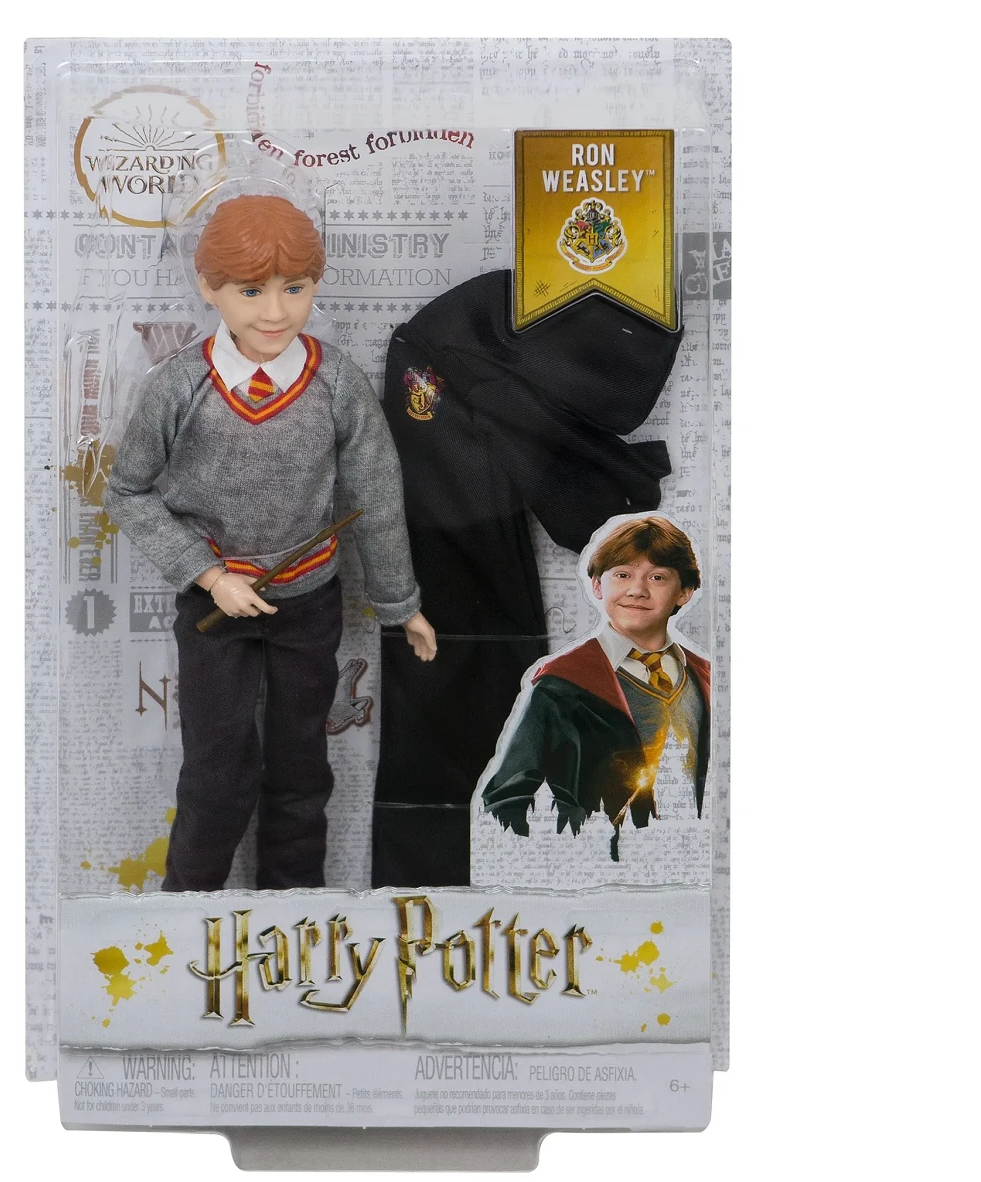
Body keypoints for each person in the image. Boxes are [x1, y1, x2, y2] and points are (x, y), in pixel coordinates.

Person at [104, 193, 436, 891]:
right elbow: (127, 492)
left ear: (317, 284)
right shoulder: (181, 386)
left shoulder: (336, 383)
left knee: (301, 769)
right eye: (251, 291)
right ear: (209, 287)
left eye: (296, 288)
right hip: (215, 610)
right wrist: (208, 574)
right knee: (215, 773)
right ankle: (187, 910)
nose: (275, 312)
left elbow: (376, 497)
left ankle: (294, 912)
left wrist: (400, 604)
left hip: (308, 604)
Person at [478, 515, 708, 861]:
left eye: (657, 577)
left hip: (689, 863)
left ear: (685, 592)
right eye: (622, 575)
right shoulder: (561, 686)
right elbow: (507, 799)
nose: (637, 589)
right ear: (598, 586)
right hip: (602, 867)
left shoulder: (707, 680)